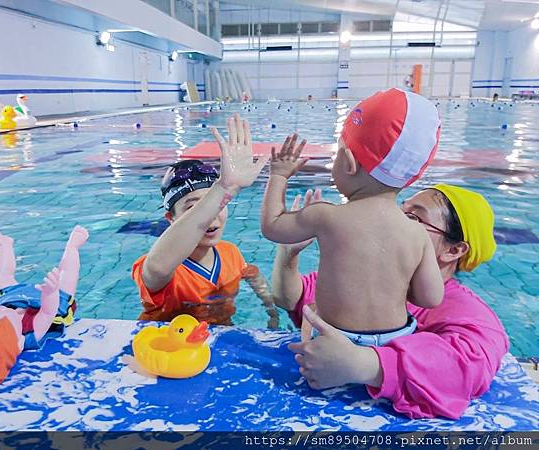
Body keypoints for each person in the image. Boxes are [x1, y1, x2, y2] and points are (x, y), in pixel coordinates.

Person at [275, 185, 509, 419]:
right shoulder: (367, 273)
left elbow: (467, 367)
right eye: (398, 209)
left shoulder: (467, 310)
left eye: (412, 217)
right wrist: (288, 256)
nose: (392, 219)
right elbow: (292, 299)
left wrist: (363, 364)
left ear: (454, 250)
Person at [261, 88, 444, 346]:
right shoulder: (416, 234)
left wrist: (278, 175)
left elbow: (272, 226)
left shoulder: (327, 216)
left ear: (348, 162)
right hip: (397, 341)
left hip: (335, 339)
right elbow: (430, 298)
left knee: (310, 322)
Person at [132, 114, 278, 327]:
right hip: (169, 351)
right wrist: (224, 189)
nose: (210, 215)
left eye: (216, 204)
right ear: (171, 219)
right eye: (193, 208)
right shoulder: (162, 266)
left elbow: (251, 273)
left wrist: (270, 308)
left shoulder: (230, 253)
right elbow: (157, 268)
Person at [0, 225, 88, 387]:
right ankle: (73, 246)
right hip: (53, 299)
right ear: (18, 341)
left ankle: (5, 245)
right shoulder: (29, 332)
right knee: (66, 275)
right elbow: (48, 312)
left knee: (0, 280)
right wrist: (51, 292)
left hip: (11, 298)